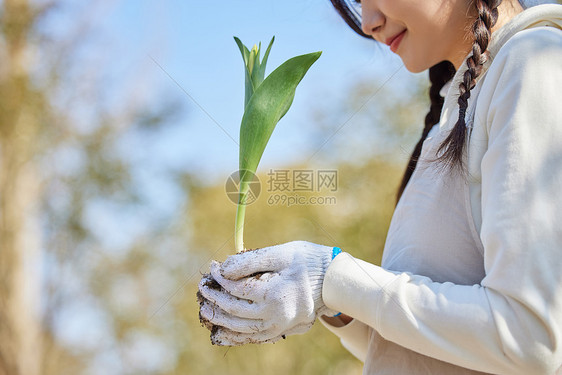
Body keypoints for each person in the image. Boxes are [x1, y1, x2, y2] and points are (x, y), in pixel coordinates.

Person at [198, 0, 562, 373]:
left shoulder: (533, 62)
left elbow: (530, 339)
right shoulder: (450, 116)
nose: (369, 22)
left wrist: (333, 278)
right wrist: (335, 304)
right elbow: (427, 356)